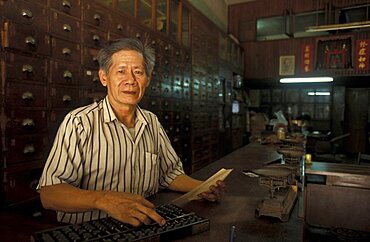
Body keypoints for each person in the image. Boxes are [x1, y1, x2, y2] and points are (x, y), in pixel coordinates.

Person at [37, 38, 225, 227]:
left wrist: (202, 187)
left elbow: (169, 174)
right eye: (121, 71)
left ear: (148, 80)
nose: (131, 80)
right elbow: (50, 193)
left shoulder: (151, 122)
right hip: (92, 228)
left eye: (138, 72)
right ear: (104, 77)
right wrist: (104, 200)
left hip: (143, 224)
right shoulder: (80, 122)